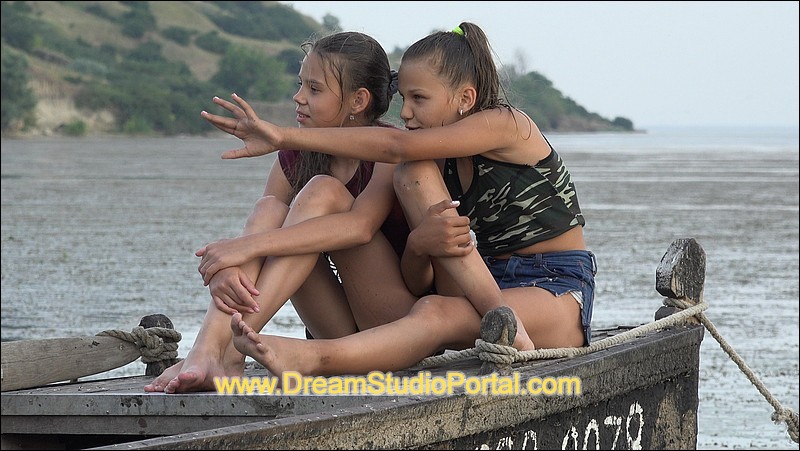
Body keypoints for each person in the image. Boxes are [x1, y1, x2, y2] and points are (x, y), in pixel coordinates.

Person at [202, 21, 596, 379]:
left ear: (465, 97)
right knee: (411, 192)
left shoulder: (507, 124)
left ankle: (312, 357)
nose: (405, 112)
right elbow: (418, 278)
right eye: (403, 98)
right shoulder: (431, 163)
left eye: (419, 98)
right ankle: (218, 350)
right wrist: (419, 245)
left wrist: (281, 136)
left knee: (435, 312)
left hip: (556, 286)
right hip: (483, 281)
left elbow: (395, 146)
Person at [144, 31, 430, 394]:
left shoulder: (387, 152)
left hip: (391, 329)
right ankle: (209, 351)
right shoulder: (295, 157)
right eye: (300, 85)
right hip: (335, 332)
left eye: (314, 89)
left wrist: (245, 248)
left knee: (322, 191)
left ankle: (225, 350)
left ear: (358, 101)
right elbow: (262, 231)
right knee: (269, 208)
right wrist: (227, 269)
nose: (299, 97)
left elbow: (360, 228)